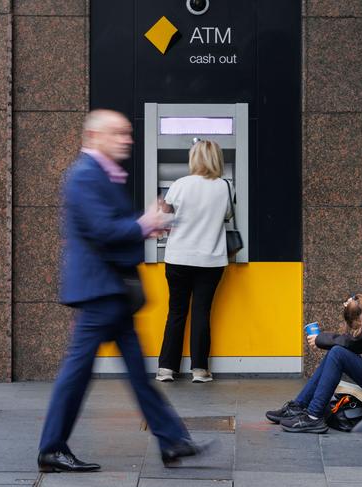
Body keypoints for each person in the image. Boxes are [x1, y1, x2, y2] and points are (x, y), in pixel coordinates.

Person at [37, 110, 216, 473]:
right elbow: (102, 231)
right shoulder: (85, 175)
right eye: (118, 134)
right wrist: (144, 223)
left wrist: (145, 227)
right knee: (78, 372)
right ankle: (52, 447)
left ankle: (171, 441)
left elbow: (112, 228)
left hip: (110, 290)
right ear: (94, 136)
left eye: (127, 133)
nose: (127, 140)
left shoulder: (102, 175)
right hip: (99, 290)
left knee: (135, 372)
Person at [265, 294, 362, 433]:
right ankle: (298, 406)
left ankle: (313, 416)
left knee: (337, 354)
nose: (360, 330)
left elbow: (357, 343)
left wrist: (321, 339)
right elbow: (359, 342)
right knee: (336, 354)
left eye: (359, 327)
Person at [155, 139, 233, 384]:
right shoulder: (224, 186)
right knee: (201, 311)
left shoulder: (179, 184)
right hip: (211, 260)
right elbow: (228, 215)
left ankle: (167, 368)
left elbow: (163, 217)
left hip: (178, 258)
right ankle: (199, 369)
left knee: (177, 311)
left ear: (194, 159)